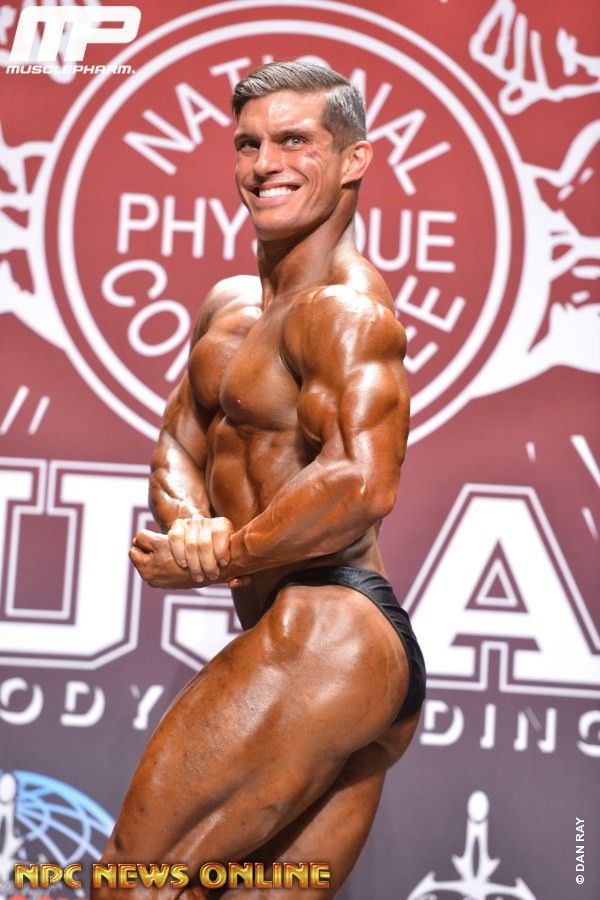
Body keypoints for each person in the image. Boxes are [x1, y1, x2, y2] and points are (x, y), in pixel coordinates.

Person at [93, 62, 426, 899]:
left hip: (330, 628)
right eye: (248, 144)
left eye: (294, 141)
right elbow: (179, 443)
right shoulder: (230, 306)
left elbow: (362, 482)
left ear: (354, 160)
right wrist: (191, 528)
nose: (264, 163)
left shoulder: (346, 309)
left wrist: (229, 553)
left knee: (133, 884)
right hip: (319, 643)